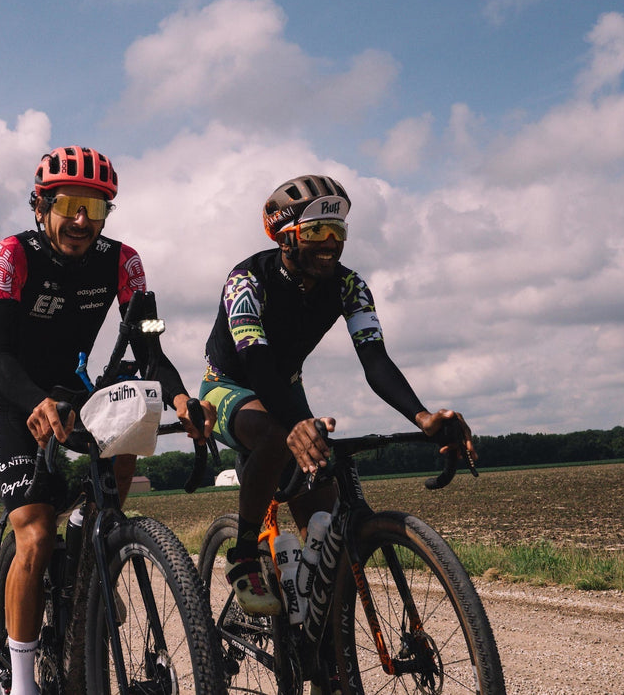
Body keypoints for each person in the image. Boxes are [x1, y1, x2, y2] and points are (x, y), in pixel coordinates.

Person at [0, 145, 214, 695]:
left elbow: (151, 348)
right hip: (20, 398)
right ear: (43, 207)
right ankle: (22, 682)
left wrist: (181, 399)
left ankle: (93, 539)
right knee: (36, 534)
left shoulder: (123, 259)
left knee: (138, 399)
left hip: (80, 392)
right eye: (70, 205)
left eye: (96, 206)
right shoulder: (13, 253)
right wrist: (36, 402)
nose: (83, 220)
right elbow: (0, 361)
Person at [200, 174, 477, 615]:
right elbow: (256, 363)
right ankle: (245, 555)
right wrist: (295, 424)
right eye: (315, 232)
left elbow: (376, 361)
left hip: (287, 391)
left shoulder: (350, 286)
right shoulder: (246, 279)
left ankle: (323, 649)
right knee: (276, 436)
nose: (330, 242)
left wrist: (422, 417)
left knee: (325, 534)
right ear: (286, 237)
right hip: (229, 387)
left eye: (337, 231)